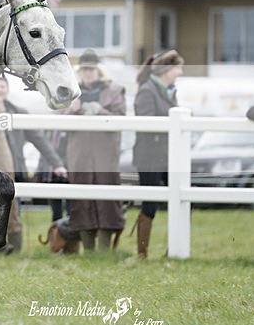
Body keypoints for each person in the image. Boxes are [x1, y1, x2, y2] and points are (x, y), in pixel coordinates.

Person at [0, 76, 67, 252]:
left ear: (7, 89)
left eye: (2, 86)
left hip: (13, 168)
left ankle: (14, 248)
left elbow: (39, 140)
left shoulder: (18, 112)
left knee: (10, 211)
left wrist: (56, 163)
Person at [62, 50, 127, 251]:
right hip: (80, 155)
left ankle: (104, 248)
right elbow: (60, 123)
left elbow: (121, 119)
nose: (88, 73)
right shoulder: (70, 91)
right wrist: (72, 110)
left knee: (107, 199)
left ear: (98, 70)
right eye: (84, 69)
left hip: (105, 154)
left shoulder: (115, 90)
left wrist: (101, 111)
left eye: (91, 69)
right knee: (81, 201)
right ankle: (88, 249)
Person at [132, 49, 185, 258]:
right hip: (150, 157)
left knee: (181, 199)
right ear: (166, 70)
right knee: (150, 205)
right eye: (178, 68)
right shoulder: (147, 91)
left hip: (167, 155)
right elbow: (146, 123)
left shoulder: (168, 91)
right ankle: (142, 252)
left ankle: (175, 250)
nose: (180, 72)